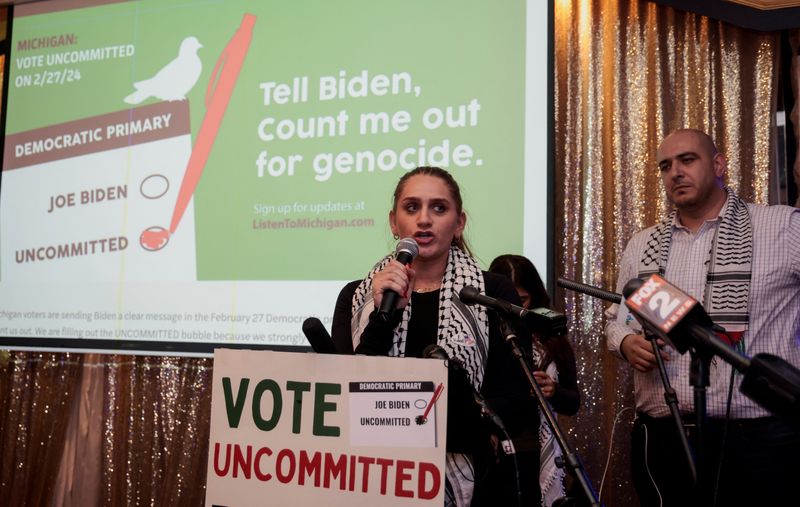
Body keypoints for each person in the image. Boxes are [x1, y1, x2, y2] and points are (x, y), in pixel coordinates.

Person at [605, 129, 800, 506]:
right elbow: (618, 320)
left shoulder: (782, 227)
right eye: (665, 166)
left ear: (718, 164)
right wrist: (626, 342)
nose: (675, 172)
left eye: (687, 160)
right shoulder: (643, 245)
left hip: (760, 436)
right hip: (665, 436)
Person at [332, 166, 539, 507]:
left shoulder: (491, 290)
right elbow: (344, 393)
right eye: (411, 207)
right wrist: (385, 315)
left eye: (439, 208)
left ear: (459, 223)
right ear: (393, 221)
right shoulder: (356, 296)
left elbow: (514, 397)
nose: (424, 219)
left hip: (468, 476)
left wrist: (421, 422)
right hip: (370, 475)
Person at [489, 254, 580, 506]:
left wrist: (553, 391)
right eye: (505, 302)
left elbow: (573, 402)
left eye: (522, 300)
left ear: (536, 296)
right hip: (495, 452)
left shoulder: (553, 336)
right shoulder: (479, 334)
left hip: (537, 451)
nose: (515, 308)